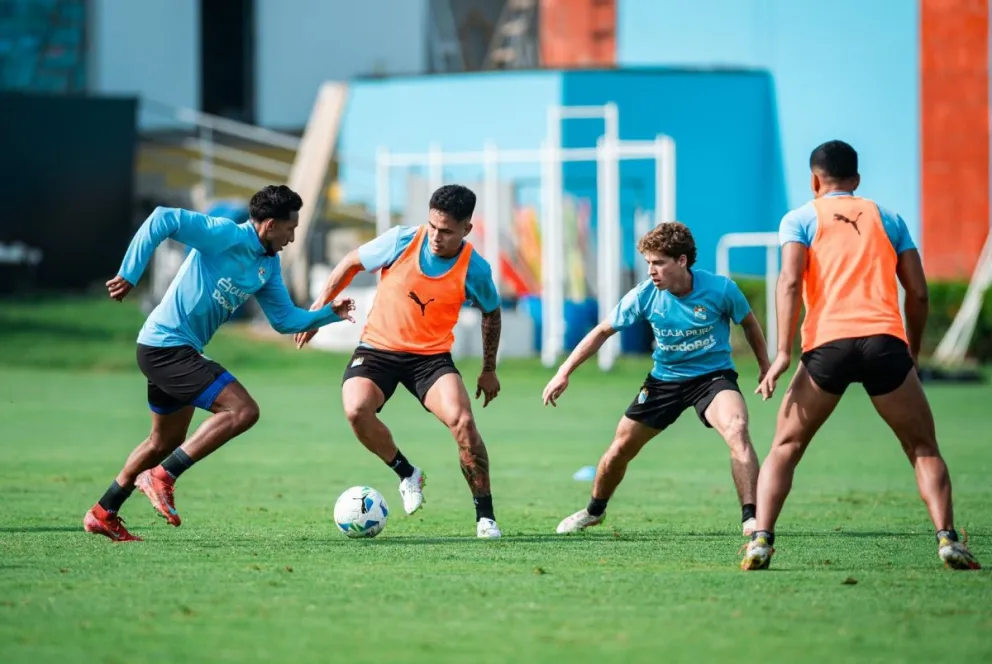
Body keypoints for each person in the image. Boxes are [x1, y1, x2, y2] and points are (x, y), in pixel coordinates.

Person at [740, 140, 981, 571]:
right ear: (856, 180)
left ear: (815, 180)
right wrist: (912, 350)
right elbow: (919, 292)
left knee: (785, 446)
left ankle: (761, 540)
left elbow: (790, 283)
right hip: (884, 343)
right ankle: (947, 539)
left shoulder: (799, 218)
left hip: (826, 347)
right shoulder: (890, 218)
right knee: (923, 447)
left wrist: (781, 353)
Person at [83, 185, 355, 542]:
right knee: (243, 410)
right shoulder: (224, 234)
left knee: (162, 441)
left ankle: (103, 512)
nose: (292, 237)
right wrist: (130, 273)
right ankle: (162, 477)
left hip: (175, 349)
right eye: (290, 228)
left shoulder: (267, 264)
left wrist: (327, 315)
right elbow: (162, 218)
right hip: (165, 345)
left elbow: (284, 319)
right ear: (270, 224)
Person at [295, 184, 504, 538]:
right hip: (377, 349)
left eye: (447, 231)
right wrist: (316, 314)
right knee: (356, 410)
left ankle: (485, 517)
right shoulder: (401, 240)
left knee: (464, 423)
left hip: (431, 359)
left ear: (467, 230)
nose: (436, 237)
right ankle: (408, 473)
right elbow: (350, 263)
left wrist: (488, 369)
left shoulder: (475, 269)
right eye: (433, 226)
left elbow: (492, 312)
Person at [543, 222, 771, 536]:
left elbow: (749, 324)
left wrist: (764, 366)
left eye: (659, 262)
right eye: (648, 262)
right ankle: (594, 511)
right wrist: (563, 372)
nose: (651, 270)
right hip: (664, 380)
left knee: (737, 429)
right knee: (620, 447)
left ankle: (751, 518)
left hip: (713, 377)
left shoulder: (720, 289)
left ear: (682, 260)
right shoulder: (645, 295)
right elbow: (601, 332)